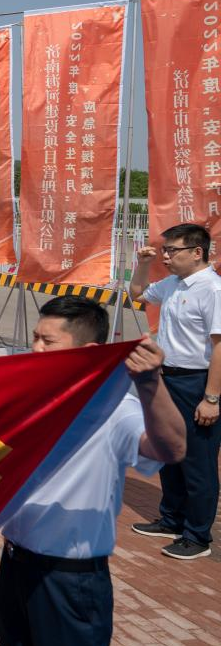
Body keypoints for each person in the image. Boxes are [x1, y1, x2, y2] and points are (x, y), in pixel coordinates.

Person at [0, 295, 186, 646]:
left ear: (88, 351)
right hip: (14, 567)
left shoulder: (115, 409)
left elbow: (170, 449)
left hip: (68, 580)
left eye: (48, 341)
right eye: (35, 338)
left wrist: (150, 383)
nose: (36, 348)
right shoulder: (32, 402)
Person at [128, 222, 221, 560]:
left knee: (198, 462)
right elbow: (137, 294)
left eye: (172, 250)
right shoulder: (172, 283)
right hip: (166, 379)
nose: (165, 256)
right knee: (169, 453)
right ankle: (171, 520)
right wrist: (142, 264)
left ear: (197, 252)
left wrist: (211, 398)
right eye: (164, 250)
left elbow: (219, 346)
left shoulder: (212, 290)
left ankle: (197, 536)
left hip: (196, 382)